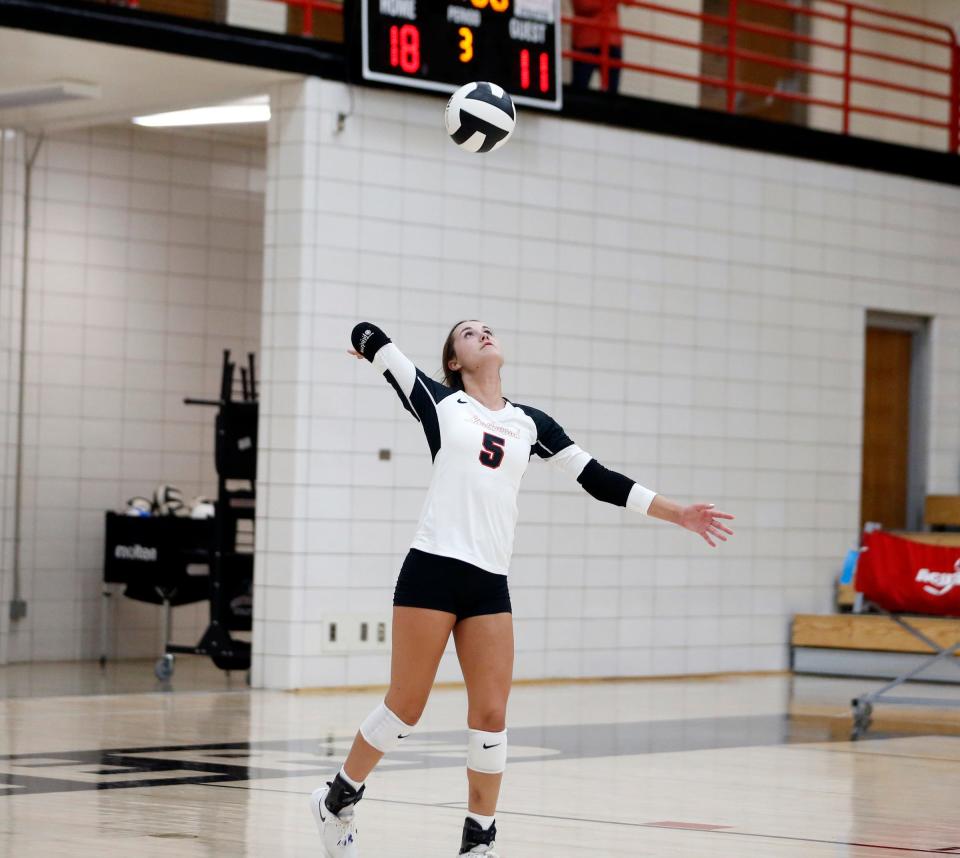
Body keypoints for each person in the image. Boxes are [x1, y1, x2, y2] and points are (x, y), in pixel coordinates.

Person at [309, 320, 735, 857]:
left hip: (489, 582)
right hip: (432, 569)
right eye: (468, 334)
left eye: (487, 329)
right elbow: (369, 334)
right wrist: (374, 349)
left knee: (490, 716)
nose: (483, 334)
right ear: (454, 362)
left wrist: (677, 513)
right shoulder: (438, 403)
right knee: (405, 708)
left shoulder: (529, 423)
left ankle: (478, 841)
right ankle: (337, 799)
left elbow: (596, 477)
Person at [571, 0, 624, 93]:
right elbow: (583, 5)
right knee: (579, 92)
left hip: (610, 39)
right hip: (586, 40)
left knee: (612, 95)